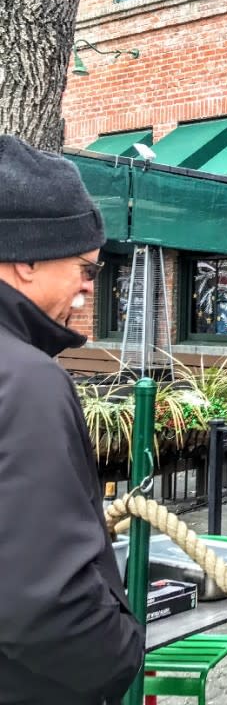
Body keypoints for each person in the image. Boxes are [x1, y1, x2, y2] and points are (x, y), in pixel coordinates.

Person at [0, 136, 145, 704]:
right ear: (26, 258)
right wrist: (121, 651)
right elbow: (46, 604)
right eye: (86, 268)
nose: (90, 291)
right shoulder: (26, 380)